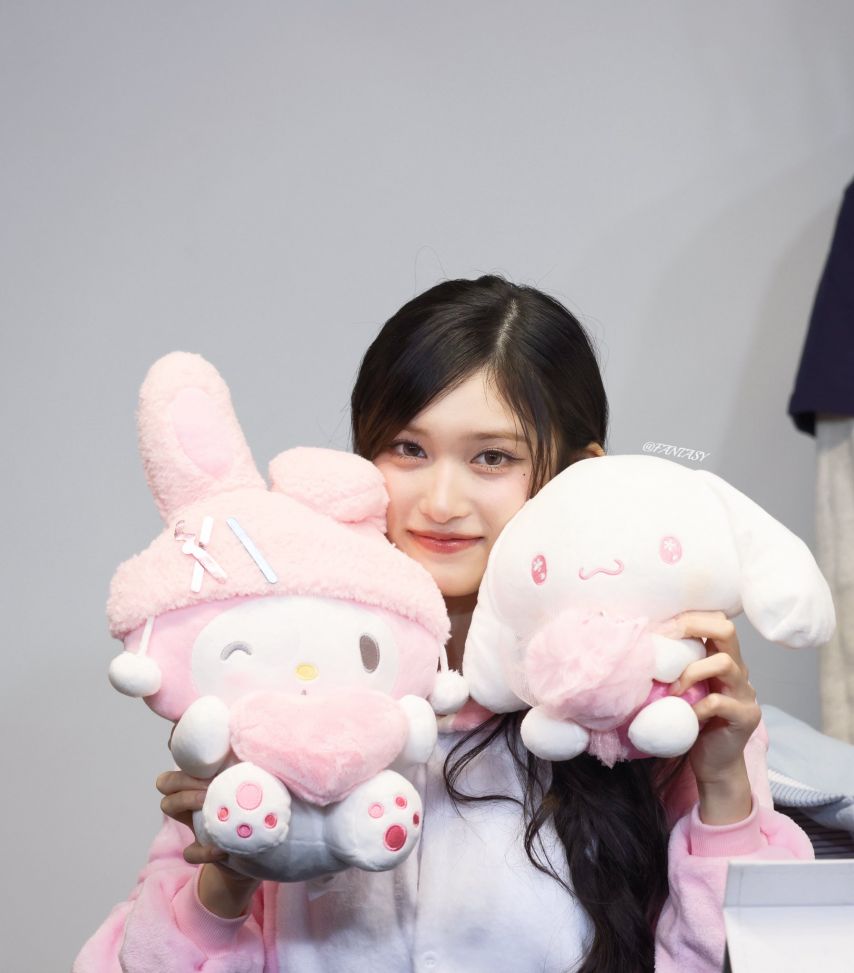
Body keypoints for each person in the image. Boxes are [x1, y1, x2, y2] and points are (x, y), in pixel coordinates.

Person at [75, 275, 812, 973]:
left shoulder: (648, 707)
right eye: (409, 449)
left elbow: (761, 957)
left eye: (492, 457)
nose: (440, 501)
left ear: (581, 473)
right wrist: (228, 878)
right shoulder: (277, 682)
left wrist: (724, 785)